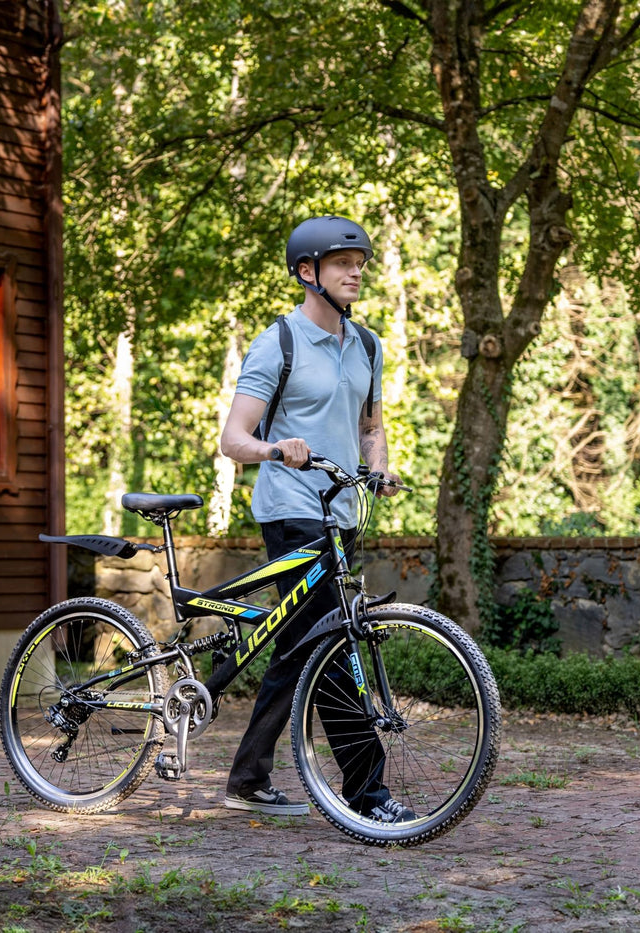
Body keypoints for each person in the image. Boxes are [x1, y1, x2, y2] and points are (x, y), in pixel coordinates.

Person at [216, 215, 413, 822]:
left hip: (343, 513)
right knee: (332, 642)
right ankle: (367, 795)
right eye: (341, 262)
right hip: (292, 512)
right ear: (308, 272)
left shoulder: (368, 345)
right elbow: (233, 439)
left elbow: (370, 426)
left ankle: (247, 778)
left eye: (360, 261)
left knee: (301, 648)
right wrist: (279, 448)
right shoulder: (279, 343)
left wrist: (378, 466)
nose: (356, 270)